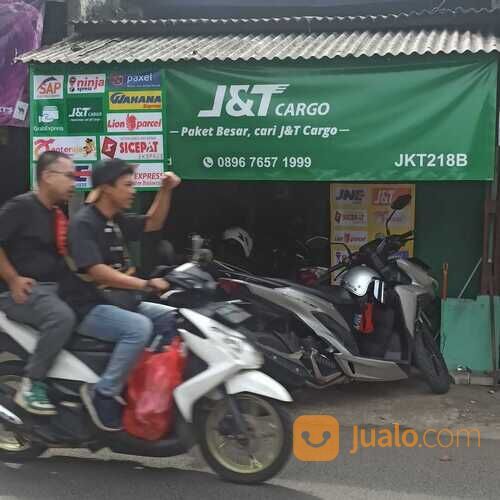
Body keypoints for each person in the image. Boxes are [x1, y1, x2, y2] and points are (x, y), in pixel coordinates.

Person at [62, 159, 181, 431]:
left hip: (117, 302)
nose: (133, 191)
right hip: (87, 306)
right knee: (138, 328)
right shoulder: (84, 223)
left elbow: (153, 222)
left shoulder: (115, 219)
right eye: (127, 185)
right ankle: (103, 394)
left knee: (170, 317)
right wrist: (144, 284)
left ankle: (143, 385)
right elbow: (98, 272)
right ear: (106, 188)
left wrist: (165, 190)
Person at [0, 151, 76, 415]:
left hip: (52, 290)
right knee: (62, 318)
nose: (74, 183)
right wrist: (13, 279)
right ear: (47, 176)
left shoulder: (57, 214)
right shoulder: (20, 207)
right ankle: (32, 384)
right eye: (69, 176)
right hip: (22, 293)